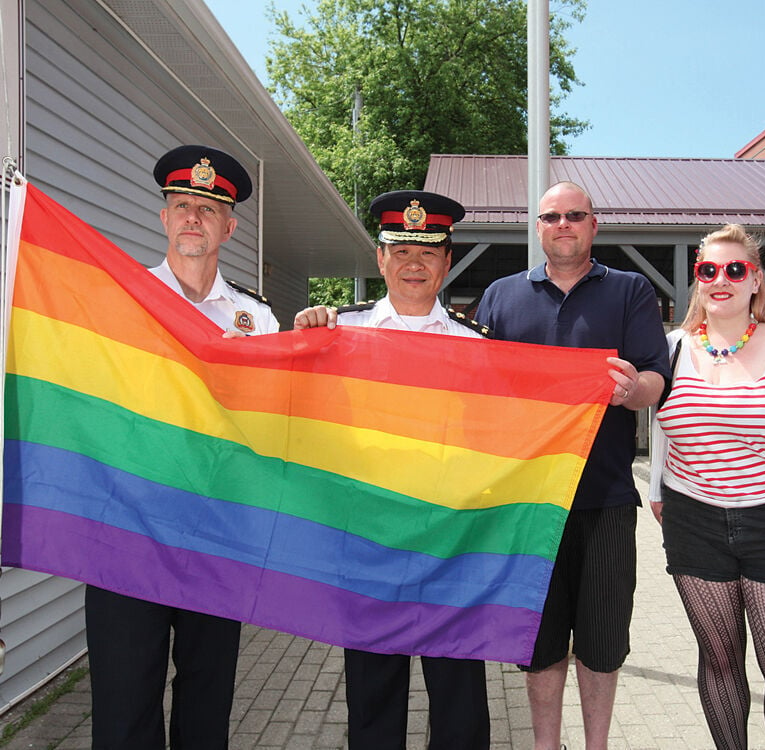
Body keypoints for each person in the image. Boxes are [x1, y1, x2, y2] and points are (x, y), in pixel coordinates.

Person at [86, 145, 280, 750]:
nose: (192, 217)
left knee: (207, 698)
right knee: (123, 700)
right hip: (126, 531)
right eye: (181, 205)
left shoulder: (258, 319)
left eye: (207, 207)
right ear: (164, 219)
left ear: (230, 225)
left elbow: (275, 420)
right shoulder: (118, 300)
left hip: (215, 535)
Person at [473, 181, 670, 750]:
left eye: (574, 215)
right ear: (537, 228)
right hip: (528, 503)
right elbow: (477, 385)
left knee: (604, 643)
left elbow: (657, 379)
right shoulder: (501, 296)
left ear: (594, 225)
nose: (563, 225)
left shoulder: (630, 290)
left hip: (605, 496)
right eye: (551, 216)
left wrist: (632, 389)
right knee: (540, 642)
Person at [294, 190, 490, 750]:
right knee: (373, 698)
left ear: (447, 262)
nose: (413, 263)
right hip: (369, 540)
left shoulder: (476, 346)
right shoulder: (337, 335)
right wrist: (305, 338)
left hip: (451, 541)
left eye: (428, 253)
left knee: (460, 701)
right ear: (379, 259)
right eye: (400, 249)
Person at [648, 224, 765, 750]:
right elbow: (652, 423)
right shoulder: (670, 348)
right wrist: (660, 491)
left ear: (756, 280)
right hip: (694, 524)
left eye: (736, 269)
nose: (721, 280)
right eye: (708, 270)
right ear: (697, 280)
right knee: (719, 663)